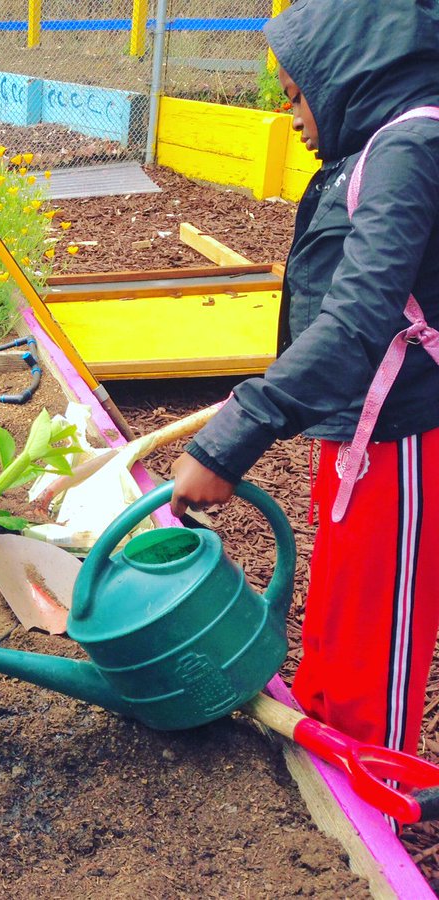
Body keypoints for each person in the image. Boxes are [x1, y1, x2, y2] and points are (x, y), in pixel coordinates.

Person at [171, 0, 439, 763]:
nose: (291, 115)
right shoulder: (384, 145)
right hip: (367, 419)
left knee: (379, 614)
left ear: (347, 72)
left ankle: (370, 781)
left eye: (295, 93)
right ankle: (319, 730)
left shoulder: (412, 146)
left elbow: (357, 319)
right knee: (346, 588)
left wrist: (230, 442)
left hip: (410, 430)